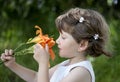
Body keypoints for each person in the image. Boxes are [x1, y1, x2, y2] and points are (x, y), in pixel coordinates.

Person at [0, 7, 111, 82]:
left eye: (63, 37)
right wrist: (12, 65)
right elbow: (36, 78)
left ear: (82, 44)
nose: (57, 41)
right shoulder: (67, 64)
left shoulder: (81, 72)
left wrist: (43, 63)